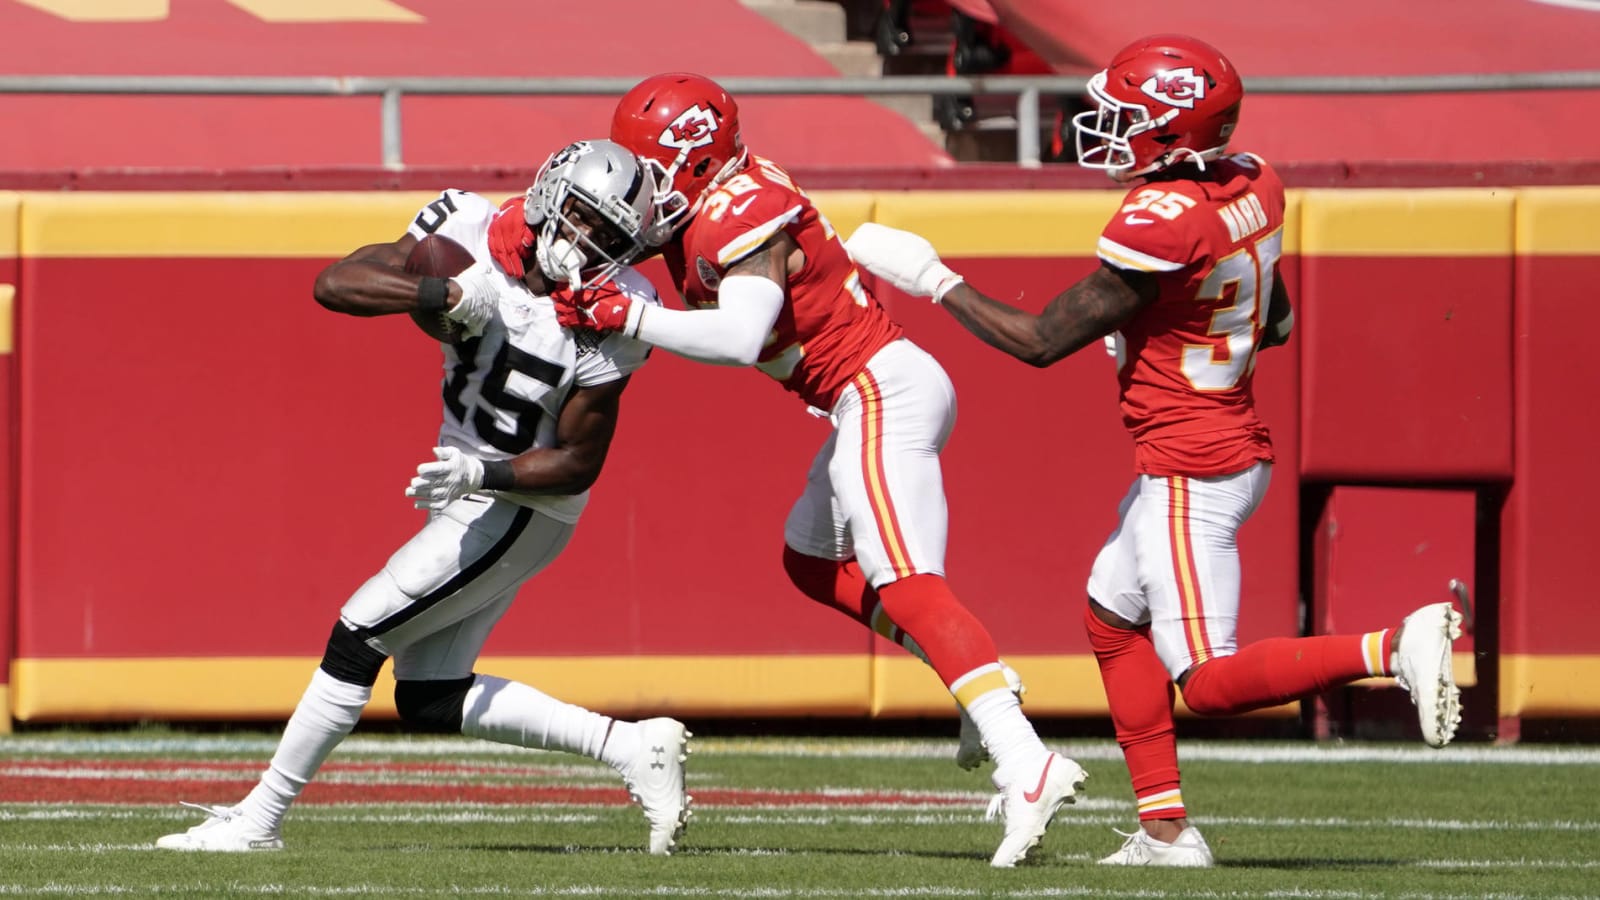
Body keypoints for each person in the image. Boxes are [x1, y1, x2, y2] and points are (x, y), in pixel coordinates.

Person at [843, 34, 1464, 868]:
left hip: (1189, 463)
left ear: (1172, 130)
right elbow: (1274, 322)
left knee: (1205, 679)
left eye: (1126, 116)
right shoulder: (1254, 180)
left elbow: (1037, 342)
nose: (1105, 127)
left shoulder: (1158, 222)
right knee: (1111, 615)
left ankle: (1392, 648)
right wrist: (1181, 325)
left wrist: (934, 279)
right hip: (1226, 439)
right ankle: (1167, 830)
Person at [488, 73, 1084, 869]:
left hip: (879, 388)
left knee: (905, 579)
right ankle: (974, 677)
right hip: (861, 395)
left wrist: (627, 314)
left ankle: (1028, 761)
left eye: (649, 166)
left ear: (695, 163)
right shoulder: (711, 201)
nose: (636, 184)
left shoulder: (740, 212)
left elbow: (740, 337)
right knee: (811, 560)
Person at [155, 139, 692, 856]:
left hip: (521, 502)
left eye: (611, 237)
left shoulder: (618, 309)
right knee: (429, 692)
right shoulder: (467, 225)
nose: (590, 244)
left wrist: (484, 477)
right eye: (585, 219)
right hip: (471, 489)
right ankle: (630, 746)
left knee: (358, 633)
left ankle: (258, 820)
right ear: (547, 197)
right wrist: (439, 295)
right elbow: (336, 283)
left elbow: (577, 462)